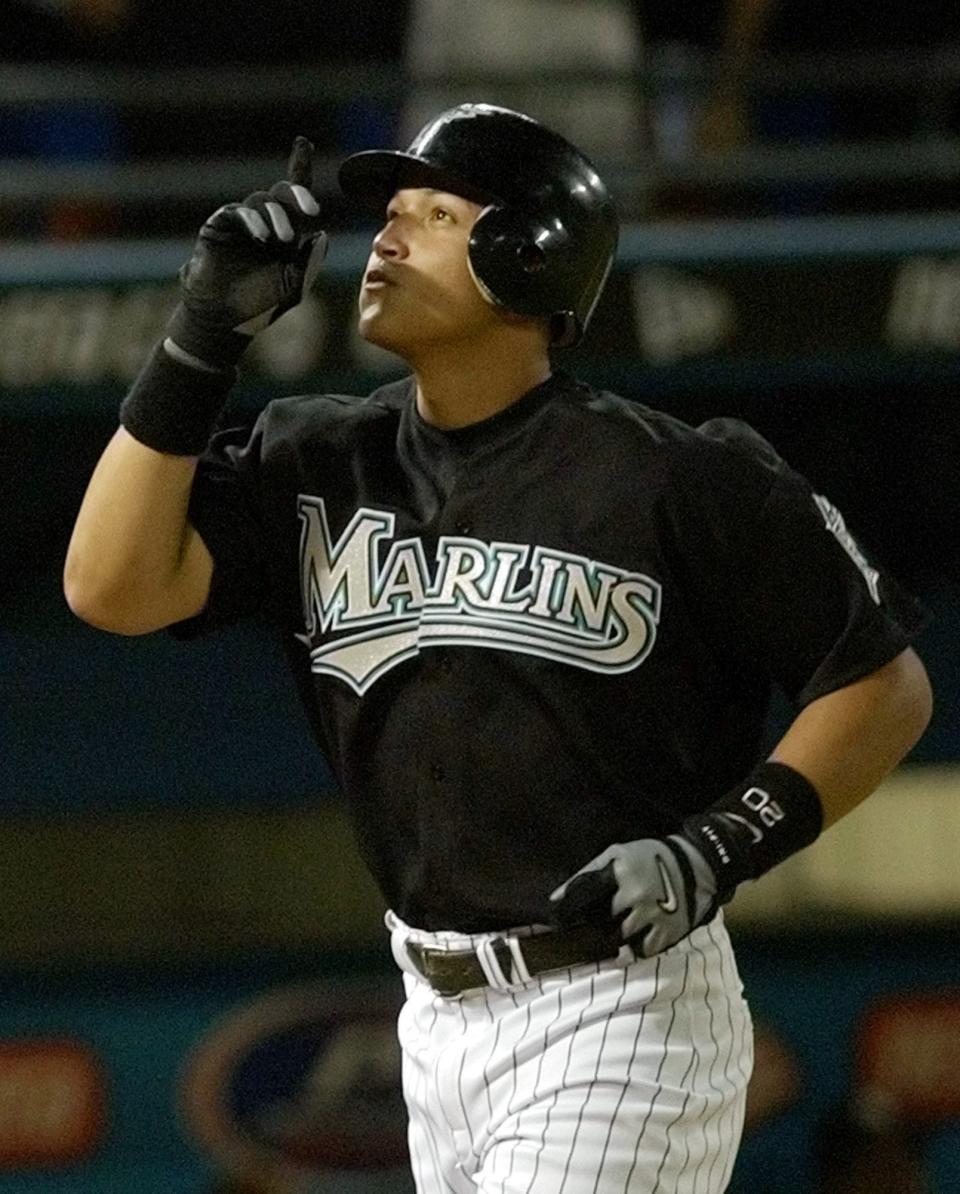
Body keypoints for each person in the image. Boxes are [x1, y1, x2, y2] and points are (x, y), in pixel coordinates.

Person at [63, 103, 932, 1192]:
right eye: (388, 212)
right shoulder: (325, 458)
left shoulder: (671, 477)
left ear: (527, 252)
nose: (386, 234)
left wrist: (718, 848)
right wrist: (201, 333)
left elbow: (881, 680)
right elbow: (110, 585)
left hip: (619, 1005)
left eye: (432, 212)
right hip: (433, 1015)